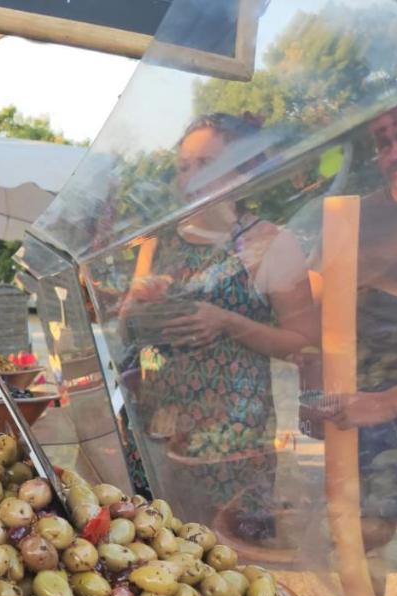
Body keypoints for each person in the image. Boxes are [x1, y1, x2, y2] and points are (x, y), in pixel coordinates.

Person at [122, 112, 319, 539]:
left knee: (232, 563)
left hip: (233, 446)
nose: (191, 177)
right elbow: (127, 333)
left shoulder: (268, 243)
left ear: (242, 170)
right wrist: (137, 305)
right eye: (183, 167)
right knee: (157, 555)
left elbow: (304, 342)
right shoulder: (157, 239)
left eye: (206, 164)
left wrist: (228, 322)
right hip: (159, 435)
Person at [314, 99, 397, 575]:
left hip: (390, 406)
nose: (395, 152)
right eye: (383, 143)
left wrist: (392, 401)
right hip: (370, 422)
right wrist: (317, 393)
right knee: (360, 541)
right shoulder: (356, 218)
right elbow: (316, 309)